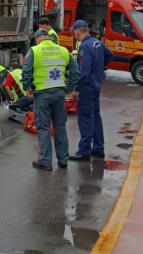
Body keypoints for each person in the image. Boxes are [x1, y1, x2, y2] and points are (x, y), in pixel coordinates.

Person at [21, 29, 79, 171]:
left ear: (37, 40)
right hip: (59, 94)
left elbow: (26, 69)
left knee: (43, 127)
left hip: (42, 95)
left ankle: (45, 161)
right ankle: (63, 159)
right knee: (60, 127)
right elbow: (75, 70)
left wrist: (27, 86)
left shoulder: (35, 50)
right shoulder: (63, 50)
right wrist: (70, 87)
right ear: (49, 38)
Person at [69, 20, 115, 161]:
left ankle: (84, 151)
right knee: (96, 117)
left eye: (74, 32)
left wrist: (76, 89)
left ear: (77, 31)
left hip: (87, 88)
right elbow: (110, 55)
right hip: (96, 86)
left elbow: (83, 72)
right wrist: (98, 67)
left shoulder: (85, 47)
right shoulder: (97, 43)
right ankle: (98, 148)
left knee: (85, 119)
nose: (74, 35)